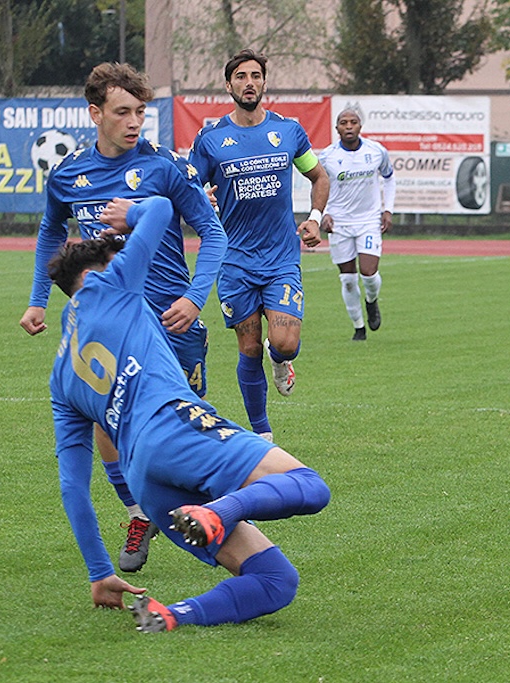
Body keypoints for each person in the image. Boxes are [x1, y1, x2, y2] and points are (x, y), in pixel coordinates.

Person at [48, 195, 331, 632]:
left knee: (276, 581)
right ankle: (220, 511)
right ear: (93, 274)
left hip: (144, 475)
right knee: (309, 486)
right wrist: (132, 216)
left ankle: (171, 615)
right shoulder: (108, 285)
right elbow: (161, 208)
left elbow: (72, 484)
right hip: (174, 425)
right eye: (119, 257)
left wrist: (99, 572)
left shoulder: (61, 373)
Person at [19, 62, 227, 573]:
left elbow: (213, 233)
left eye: (141, 111)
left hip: (172, 321)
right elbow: (51, 233)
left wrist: (195, 297)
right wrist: (38, 299)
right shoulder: (69, 175)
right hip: (110, 327)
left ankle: (216, 512)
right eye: (123, 112)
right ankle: (139, 512)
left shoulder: (165, 168)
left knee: (182, 434)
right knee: (105, 426)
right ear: (95, 114)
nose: (135, 122)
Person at [188, 49, 329, 439]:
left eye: (255, 75)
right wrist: (203, 199)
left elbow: (319, 177)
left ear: (264, 83)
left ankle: (280, 360)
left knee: (284, 341)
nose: (249, 82)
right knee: (248, 348)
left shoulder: (287, 131)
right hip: (233, 261)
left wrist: (314, 219)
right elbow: (187, 188)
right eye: (241, 76)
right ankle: (262, 436)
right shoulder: (211, 138)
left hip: (281, 256)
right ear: (229, 84)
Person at [318, 106, 395, 341]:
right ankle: (359, 327)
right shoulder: (327, 156)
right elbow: (318, 185)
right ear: (337, 128)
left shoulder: (376, 151)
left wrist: (388, 209)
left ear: (360, 126)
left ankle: (372, 301)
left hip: (368, 221)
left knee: (369, 273)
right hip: (339, 223)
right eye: (343, 122)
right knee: (348, 280)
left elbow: (389, 177)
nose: (348, 126)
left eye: (353, 122)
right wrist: (323, 213)